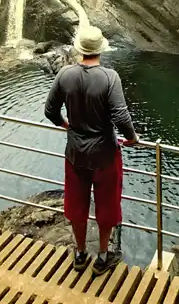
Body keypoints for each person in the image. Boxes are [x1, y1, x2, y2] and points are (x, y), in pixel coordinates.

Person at [44, 25, 139, 276]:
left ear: (79, 48)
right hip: (105, 154)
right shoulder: (110, 77)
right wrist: (132, 137)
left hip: (75, 153)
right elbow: (120, 115)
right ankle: (103, 257)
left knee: (77, 205)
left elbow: (49, 111)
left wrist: (67, 125)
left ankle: (80, 253)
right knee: (106, 206)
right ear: (100, 49)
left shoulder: (65, 74)